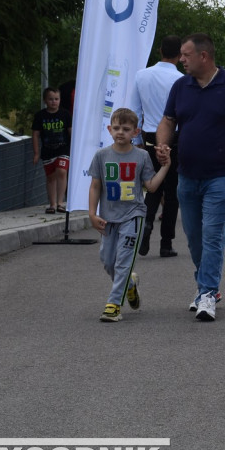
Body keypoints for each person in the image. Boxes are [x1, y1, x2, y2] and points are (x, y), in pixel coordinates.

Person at [156, 33, 225, 322]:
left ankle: (206, 293)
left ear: (203, 56)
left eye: (185, 55)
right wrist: (162, 145)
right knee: (194, 237)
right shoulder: (180, 86)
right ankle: (206, 286)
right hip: (187, 175)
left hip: (221, 174)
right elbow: (167, 120)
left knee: (212, 234)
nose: (181, 59)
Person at [87, 108, 170, 322]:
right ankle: (129, 284)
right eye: (116, 128)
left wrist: (166, 167)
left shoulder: (141, 156)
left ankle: (114, 304)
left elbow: (151, 187)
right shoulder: (101, 155)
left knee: (123, 260)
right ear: (109, 129)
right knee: (107, 260)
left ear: (136, 132)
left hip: (133, 215)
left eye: (126, 129)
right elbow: (95, 186)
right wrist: (92, 213)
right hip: (108, 217)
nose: (120, 132)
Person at [128, 34, 184, 258]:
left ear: (160, 50)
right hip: (175, 138)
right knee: (172, 192)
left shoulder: (142, 75)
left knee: (152, 187)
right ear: (180, 55)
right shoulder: (181, 80)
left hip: (150, 136)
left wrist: (136, 140)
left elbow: (134, 109)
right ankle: (166, 242)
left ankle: (146, 226)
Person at [32, 87, 73, 214]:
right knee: (50, 177)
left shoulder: (65, 114)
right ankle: (52, 204)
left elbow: (71, 132)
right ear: (45, 100)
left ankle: (61, 203)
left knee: (61, 171)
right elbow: (35, 134)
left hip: (63, 149)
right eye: (51, 99)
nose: (54, 102)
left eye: (56, 99)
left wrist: (73, 149)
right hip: (47, 151)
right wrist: (36, 153)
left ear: (60, 100)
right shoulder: (40, 116)